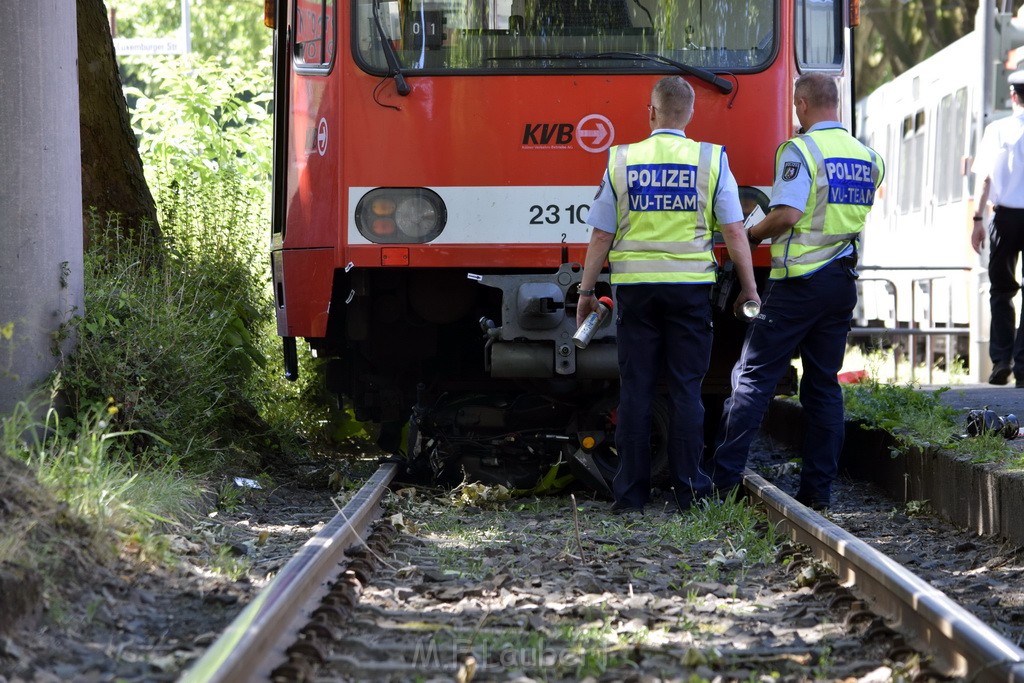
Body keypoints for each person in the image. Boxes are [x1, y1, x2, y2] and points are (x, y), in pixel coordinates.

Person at [576, 75, 759, 514]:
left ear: (652, 112)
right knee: (685, 391)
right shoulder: (711, 159)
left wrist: (586, 290)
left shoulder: (621, 159)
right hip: (690, 291)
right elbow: (734, 230)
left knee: (635, 390)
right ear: (690, 113)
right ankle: (690, 492)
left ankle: (631, 497)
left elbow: (601, 233)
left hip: (635, 293)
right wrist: (749, 288)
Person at [709, 72, 884, 510]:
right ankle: (817, 494)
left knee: (751, 380)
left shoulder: (800, 150)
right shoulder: (869, 157)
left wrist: (751, 235)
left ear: (802, 104)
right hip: (841, 282)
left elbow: (787, 214)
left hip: (798, 285)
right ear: (836, 104)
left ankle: (722, 485)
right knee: (823, 386)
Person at [971, 70, 1024, 386]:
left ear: (1013, 96)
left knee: (1001, 290)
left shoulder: (997, 130)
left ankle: (1001, 360)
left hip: (1004, 219)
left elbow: (986, 180)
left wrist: (978, 220)